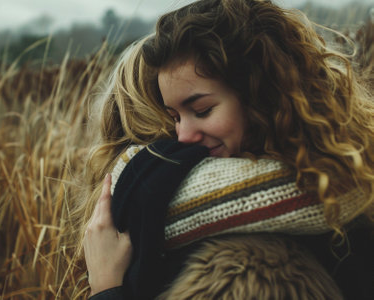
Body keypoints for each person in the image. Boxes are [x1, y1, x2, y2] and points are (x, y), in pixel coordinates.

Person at [70, 0, 374, 299]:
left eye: (202, 110)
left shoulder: (250, 271)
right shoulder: (346, 178)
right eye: (174, 118)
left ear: (261, 96)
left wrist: (107, 288)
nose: (183, 138)